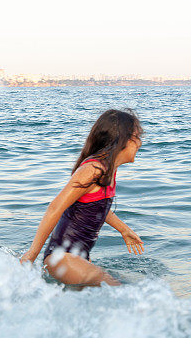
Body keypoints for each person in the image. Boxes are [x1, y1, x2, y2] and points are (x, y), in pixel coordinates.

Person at [19, 109, 145, 286]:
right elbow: (55, 208)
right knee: (122, 292)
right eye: (137, 137)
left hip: (77, 258)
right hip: (62, 257)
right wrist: (31, 255)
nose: (140, 143)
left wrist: (124, 229)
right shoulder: (93, 169)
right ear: (122, 139)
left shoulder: (107, 171)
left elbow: (96, 206)